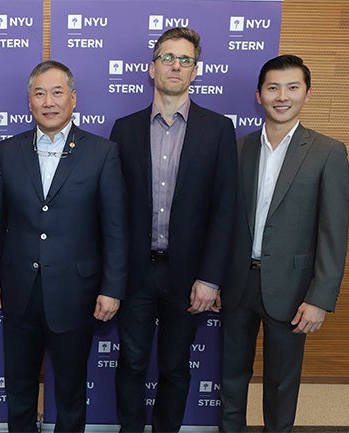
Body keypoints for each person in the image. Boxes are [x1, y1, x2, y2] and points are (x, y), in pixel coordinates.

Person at [0, 60, 128, 432]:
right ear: (29, 101)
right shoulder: (7, 151)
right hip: (18, 291)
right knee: (19, 387)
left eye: (57, 92)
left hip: (76, 293)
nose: (49, 101)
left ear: (73, 98)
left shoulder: (102, 152)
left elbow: (114, 228)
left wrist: (112, 289)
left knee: (71, 391)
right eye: (39, 93)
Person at [110, 27, 238, 433]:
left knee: (176, 367)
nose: (176, 66)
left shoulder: (218, 130)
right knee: (130, 363)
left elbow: (225, 210)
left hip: (188, 277)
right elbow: (113, 212)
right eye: (168, 57)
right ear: (152, 68)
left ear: (196, 71)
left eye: (185, 60)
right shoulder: (124, 129)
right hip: (134, 273)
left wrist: (211, 278)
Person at [219, 54, 349, 433]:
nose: (282, 96)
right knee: (231, 379)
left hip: (293, 292)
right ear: (258, 95)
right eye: (273, 87)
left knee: (281, 384)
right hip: (238, 284)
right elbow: (223, 222)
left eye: (292, 87)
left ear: (307, 94)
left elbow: (333, 230)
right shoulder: (238, 149)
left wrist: (320, 298)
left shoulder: (328, 152)